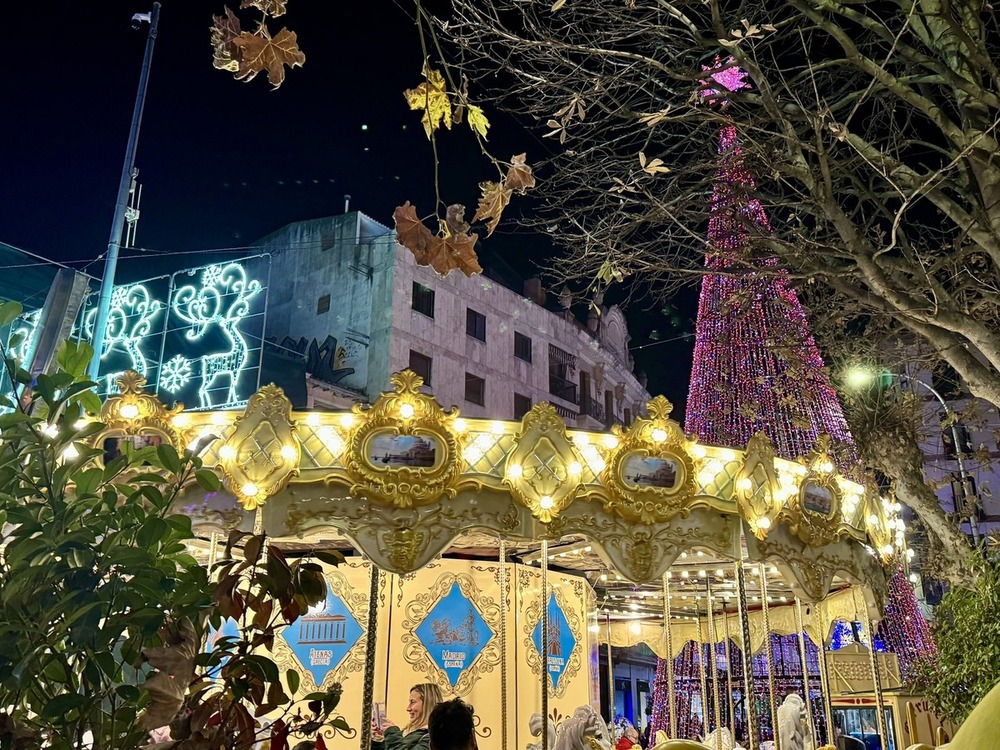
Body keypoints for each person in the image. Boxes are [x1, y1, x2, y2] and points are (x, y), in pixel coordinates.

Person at [372, 683, 443, 750]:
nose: (408, 708)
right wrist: (378, 740)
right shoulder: (407, 731)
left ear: (427, 704)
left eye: (413, 702)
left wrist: (392, 733)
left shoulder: (432, 738)